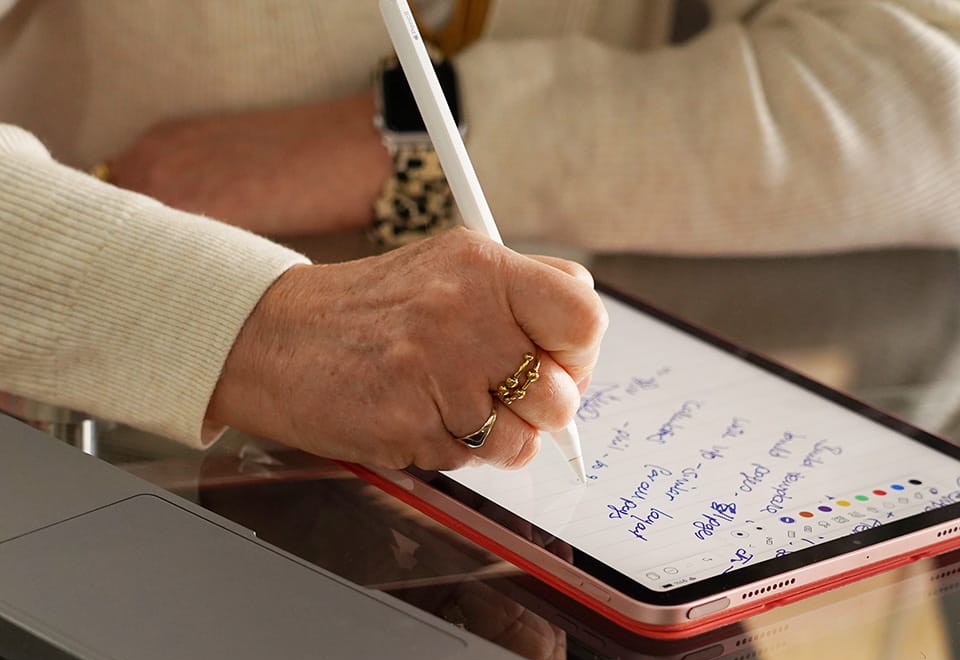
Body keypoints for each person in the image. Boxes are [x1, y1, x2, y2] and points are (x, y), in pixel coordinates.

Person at [2, 0, 959, 463]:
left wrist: (404, 138)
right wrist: (253, 326)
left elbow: (937, 85)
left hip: (599, 471)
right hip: (117, 431)